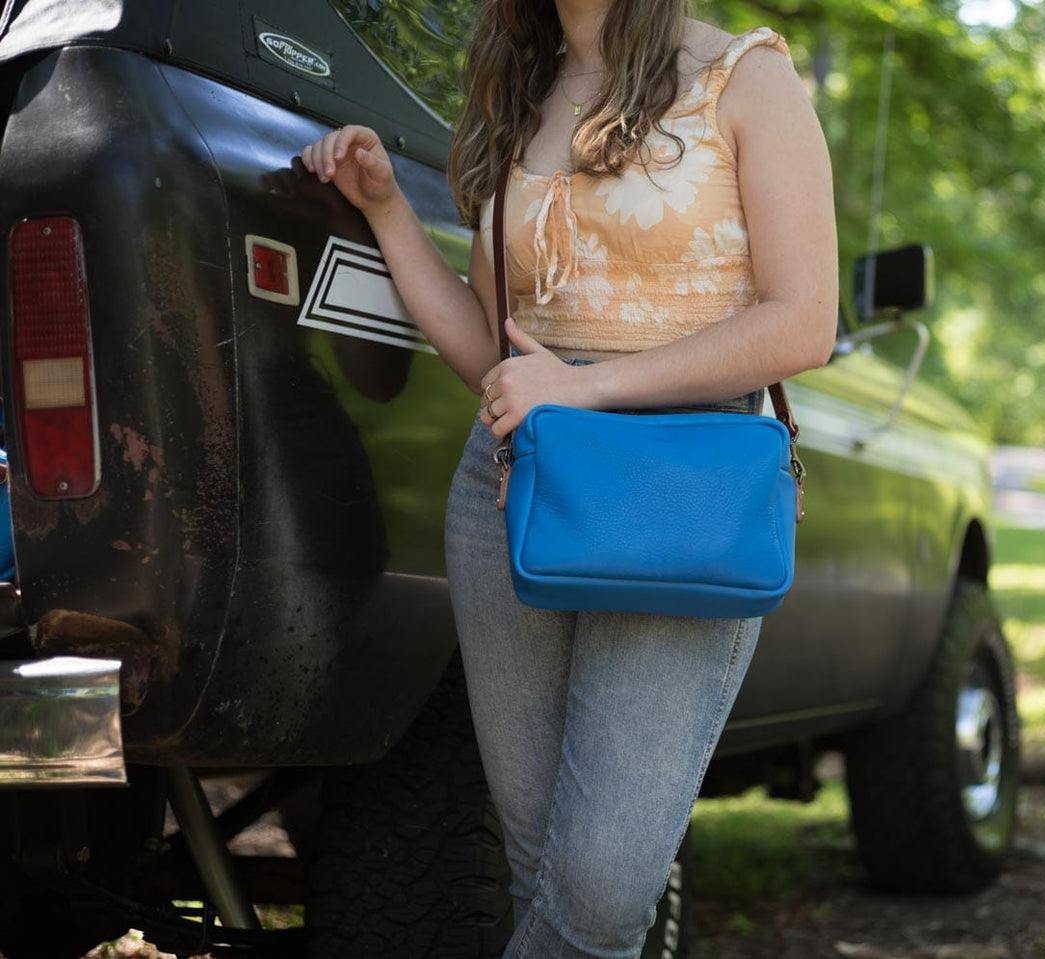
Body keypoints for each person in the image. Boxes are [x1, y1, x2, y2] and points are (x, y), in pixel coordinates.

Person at [300, 0, 836, 954]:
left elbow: (802, 324)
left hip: (683, 491)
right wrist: (386, 208)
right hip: (515, 484)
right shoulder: (518, 87)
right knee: (536, 860)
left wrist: (588, 390)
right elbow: (492, 352)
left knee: (597, 890)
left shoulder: (746, 78)